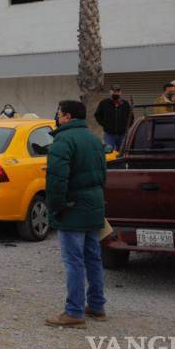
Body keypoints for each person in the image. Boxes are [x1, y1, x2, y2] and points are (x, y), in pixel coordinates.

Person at [44, 100, 108, 328]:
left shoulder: (63, 140)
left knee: (74, 261)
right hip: (93, 205)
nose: (56, 117)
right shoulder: (93, 138)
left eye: (59, 113)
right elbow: (103, 173)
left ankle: (74, 311)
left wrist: (56, 206)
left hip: (72, 207)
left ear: (67, 117)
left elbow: (56, 179)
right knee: (93, 258)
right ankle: (97, 306)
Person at [94, 85, 133, 152]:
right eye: (113, 91)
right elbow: (97, 115)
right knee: (109, 153)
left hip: (123, 135)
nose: (115, 93)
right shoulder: (104, 103)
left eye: (117, 91)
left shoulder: (125, 104)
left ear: (120, 92)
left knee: (122, 153)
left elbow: (131, 117)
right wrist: (105, 125)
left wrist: (126, 127)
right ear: (110, 92)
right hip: (109, 135)